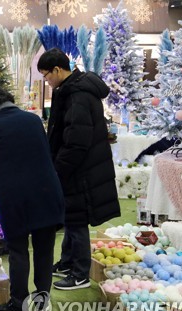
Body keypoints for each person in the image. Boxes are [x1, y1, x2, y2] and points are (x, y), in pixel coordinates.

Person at [0, 84, 65, 311]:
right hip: (47, 191)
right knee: (45, 250)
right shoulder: (33, 120)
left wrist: (0, 189)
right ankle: (43, 302)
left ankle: (18, 303)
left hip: (15, 197)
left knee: (18, 250)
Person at [37, 48, 121, 291]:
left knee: (76, 220)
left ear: (57, 70)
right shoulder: (70, 90)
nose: (47, 81)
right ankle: (67, 261)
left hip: (80, 170)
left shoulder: (78, 95)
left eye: (46, 76)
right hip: (77, 167)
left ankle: (80, 273)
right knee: (70, 216)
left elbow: (76, 142)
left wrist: (57, 171)